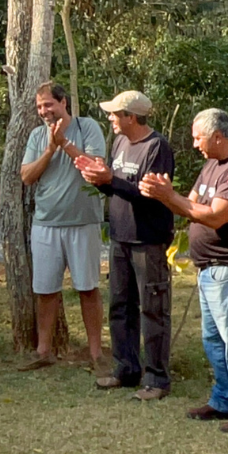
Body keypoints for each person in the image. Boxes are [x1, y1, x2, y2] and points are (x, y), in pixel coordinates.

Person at [140, 108, 228, 433]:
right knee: (214, 340)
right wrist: (164, 195)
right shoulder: (213, 164)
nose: (195, 144)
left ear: (217, 136)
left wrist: (172, 198)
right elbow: (193, 205)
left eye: (198, 137)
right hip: (210, 269)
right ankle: (224, 400)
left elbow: (214, 216)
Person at [75, 91, 175, 400]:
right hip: (120, 237)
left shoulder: (156, 147)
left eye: (115, 114)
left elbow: (150, 193)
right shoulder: (119, 143)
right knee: (120, 306)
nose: (110, 118)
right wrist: (100, 180)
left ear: (131, 117)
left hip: (148, 240)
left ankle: (157, 379)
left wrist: (111, 180)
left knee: (153, 309)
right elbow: (118, 188)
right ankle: (126, 369)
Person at [19, 82, 107, 374]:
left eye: (49, 105)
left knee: (87, 288)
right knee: (45, 290)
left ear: (63, 103)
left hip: (83, 222)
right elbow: (27, 176)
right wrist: (49, 149)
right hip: (46, 222)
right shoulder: (36, 136)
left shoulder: (87, 127)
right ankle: (44, 351)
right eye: (40, 107)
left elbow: (96, 167)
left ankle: (96, 353)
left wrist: (65, 144)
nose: (44, 111)